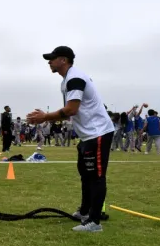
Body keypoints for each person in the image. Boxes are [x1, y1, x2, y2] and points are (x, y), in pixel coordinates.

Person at [27, 46, 114, 232]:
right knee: (85, 174)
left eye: (52, 58)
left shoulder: (75, 78)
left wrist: (44, 117)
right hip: (87, 135)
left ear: (63, 60)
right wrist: (46, 117)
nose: (49, 62)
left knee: (96, 177)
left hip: (98, 132)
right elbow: (69, 113)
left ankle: (94, 222)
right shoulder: (66, 81)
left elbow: (71, 110)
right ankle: (84, 212)